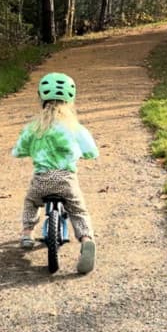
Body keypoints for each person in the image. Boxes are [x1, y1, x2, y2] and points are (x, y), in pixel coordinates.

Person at [11, 72, 99, 274]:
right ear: (70, 100)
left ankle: (27, 233)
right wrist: (85, 154)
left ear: (41, 98)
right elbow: (92, 152)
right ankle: (86, 239)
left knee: (31, 202)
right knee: (78, 211)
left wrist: (26, 152)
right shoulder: (75, 128)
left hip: (41, 180)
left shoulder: (33, 128)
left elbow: (18, 151)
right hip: (66, 180)